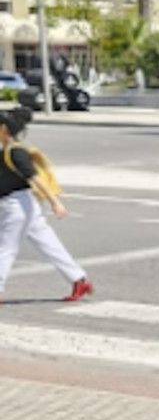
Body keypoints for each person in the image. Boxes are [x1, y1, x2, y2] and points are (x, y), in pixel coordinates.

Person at [0, 108, 92, 303]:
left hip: (18, 206)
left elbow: (34, 178)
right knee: (49, 244)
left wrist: (55, 202)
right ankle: (78, 279)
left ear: (4, 129)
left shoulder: (16, 152)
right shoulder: (7, 149)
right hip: (23, 206)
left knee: (6, 247)